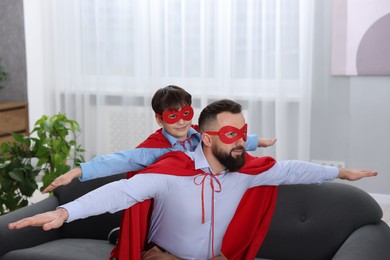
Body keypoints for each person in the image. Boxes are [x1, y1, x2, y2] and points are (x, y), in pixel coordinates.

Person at [8, 99, 377, 260]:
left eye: (243, 132)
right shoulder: (171, 172)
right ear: (209, 137)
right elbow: (121, 191)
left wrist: (341, 172)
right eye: (231, 135)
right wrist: (66, 214)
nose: (241, 143)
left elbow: (294, 169)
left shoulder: (248, 173)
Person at [42, 85, 276, 192]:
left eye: (186, 113)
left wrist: (259, 141)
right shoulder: (154, 149)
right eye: (173, 116)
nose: (182, 122)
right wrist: (75, 172)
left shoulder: (200, 134)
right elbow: (119, 160)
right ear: (159, 119)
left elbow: (224, 138)